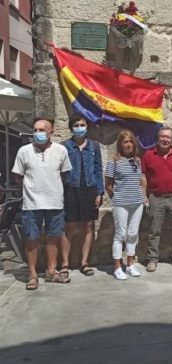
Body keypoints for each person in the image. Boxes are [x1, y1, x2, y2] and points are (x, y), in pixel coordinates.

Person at [12, 117, 72, 290]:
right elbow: (18, 176)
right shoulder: (24, 151)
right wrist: (32, 188)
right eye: (35, 129)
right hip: (31, 204)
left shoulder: (61, 150)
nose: (38, 133)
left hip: (55, 203)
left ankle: (51, 271)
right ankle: (32, 275)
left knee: (53, 239)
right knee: (31, 239)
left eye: (42, 130)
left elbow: (64, 174)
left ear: (51, 132)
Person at [60, 114, 104, 279]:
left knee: (88, 227)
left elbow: (98, 170)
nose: (80, 128)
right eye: (76, 125)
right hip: (70, 189)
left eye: (83, 125)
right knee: (69, 227)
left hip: (89, 189)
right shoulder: (64, 146)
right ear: (71, 128)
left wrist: (99, 192)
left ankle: (85, 263)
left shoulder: (94, 146)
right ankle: (65, 263)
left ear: (87, 127)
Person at [141, 126, 172, 271]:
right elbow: (143, 176)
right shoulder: (148, 155)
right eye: (162, 136)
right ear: (158, 138)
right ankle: (152, 259)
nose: (165, 139)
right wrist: (144, 195)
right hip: (155, 197)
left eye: (168, 137)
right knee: (154, 230)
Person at [105, 130, 147, 280]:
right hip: (121, 203)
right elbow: (108, 185)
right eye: (125, 142)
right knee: (120, 234)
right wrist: (117, 198)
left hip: (137, 203)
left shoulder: (137, 161)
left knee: (133, 233)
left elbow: (141, 181)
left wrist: (143, 197)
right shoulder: (114, 161)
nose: (128, 145)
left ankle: (130, 264)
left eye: (130, 142)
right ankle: (117, 266)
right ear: (120, 145)